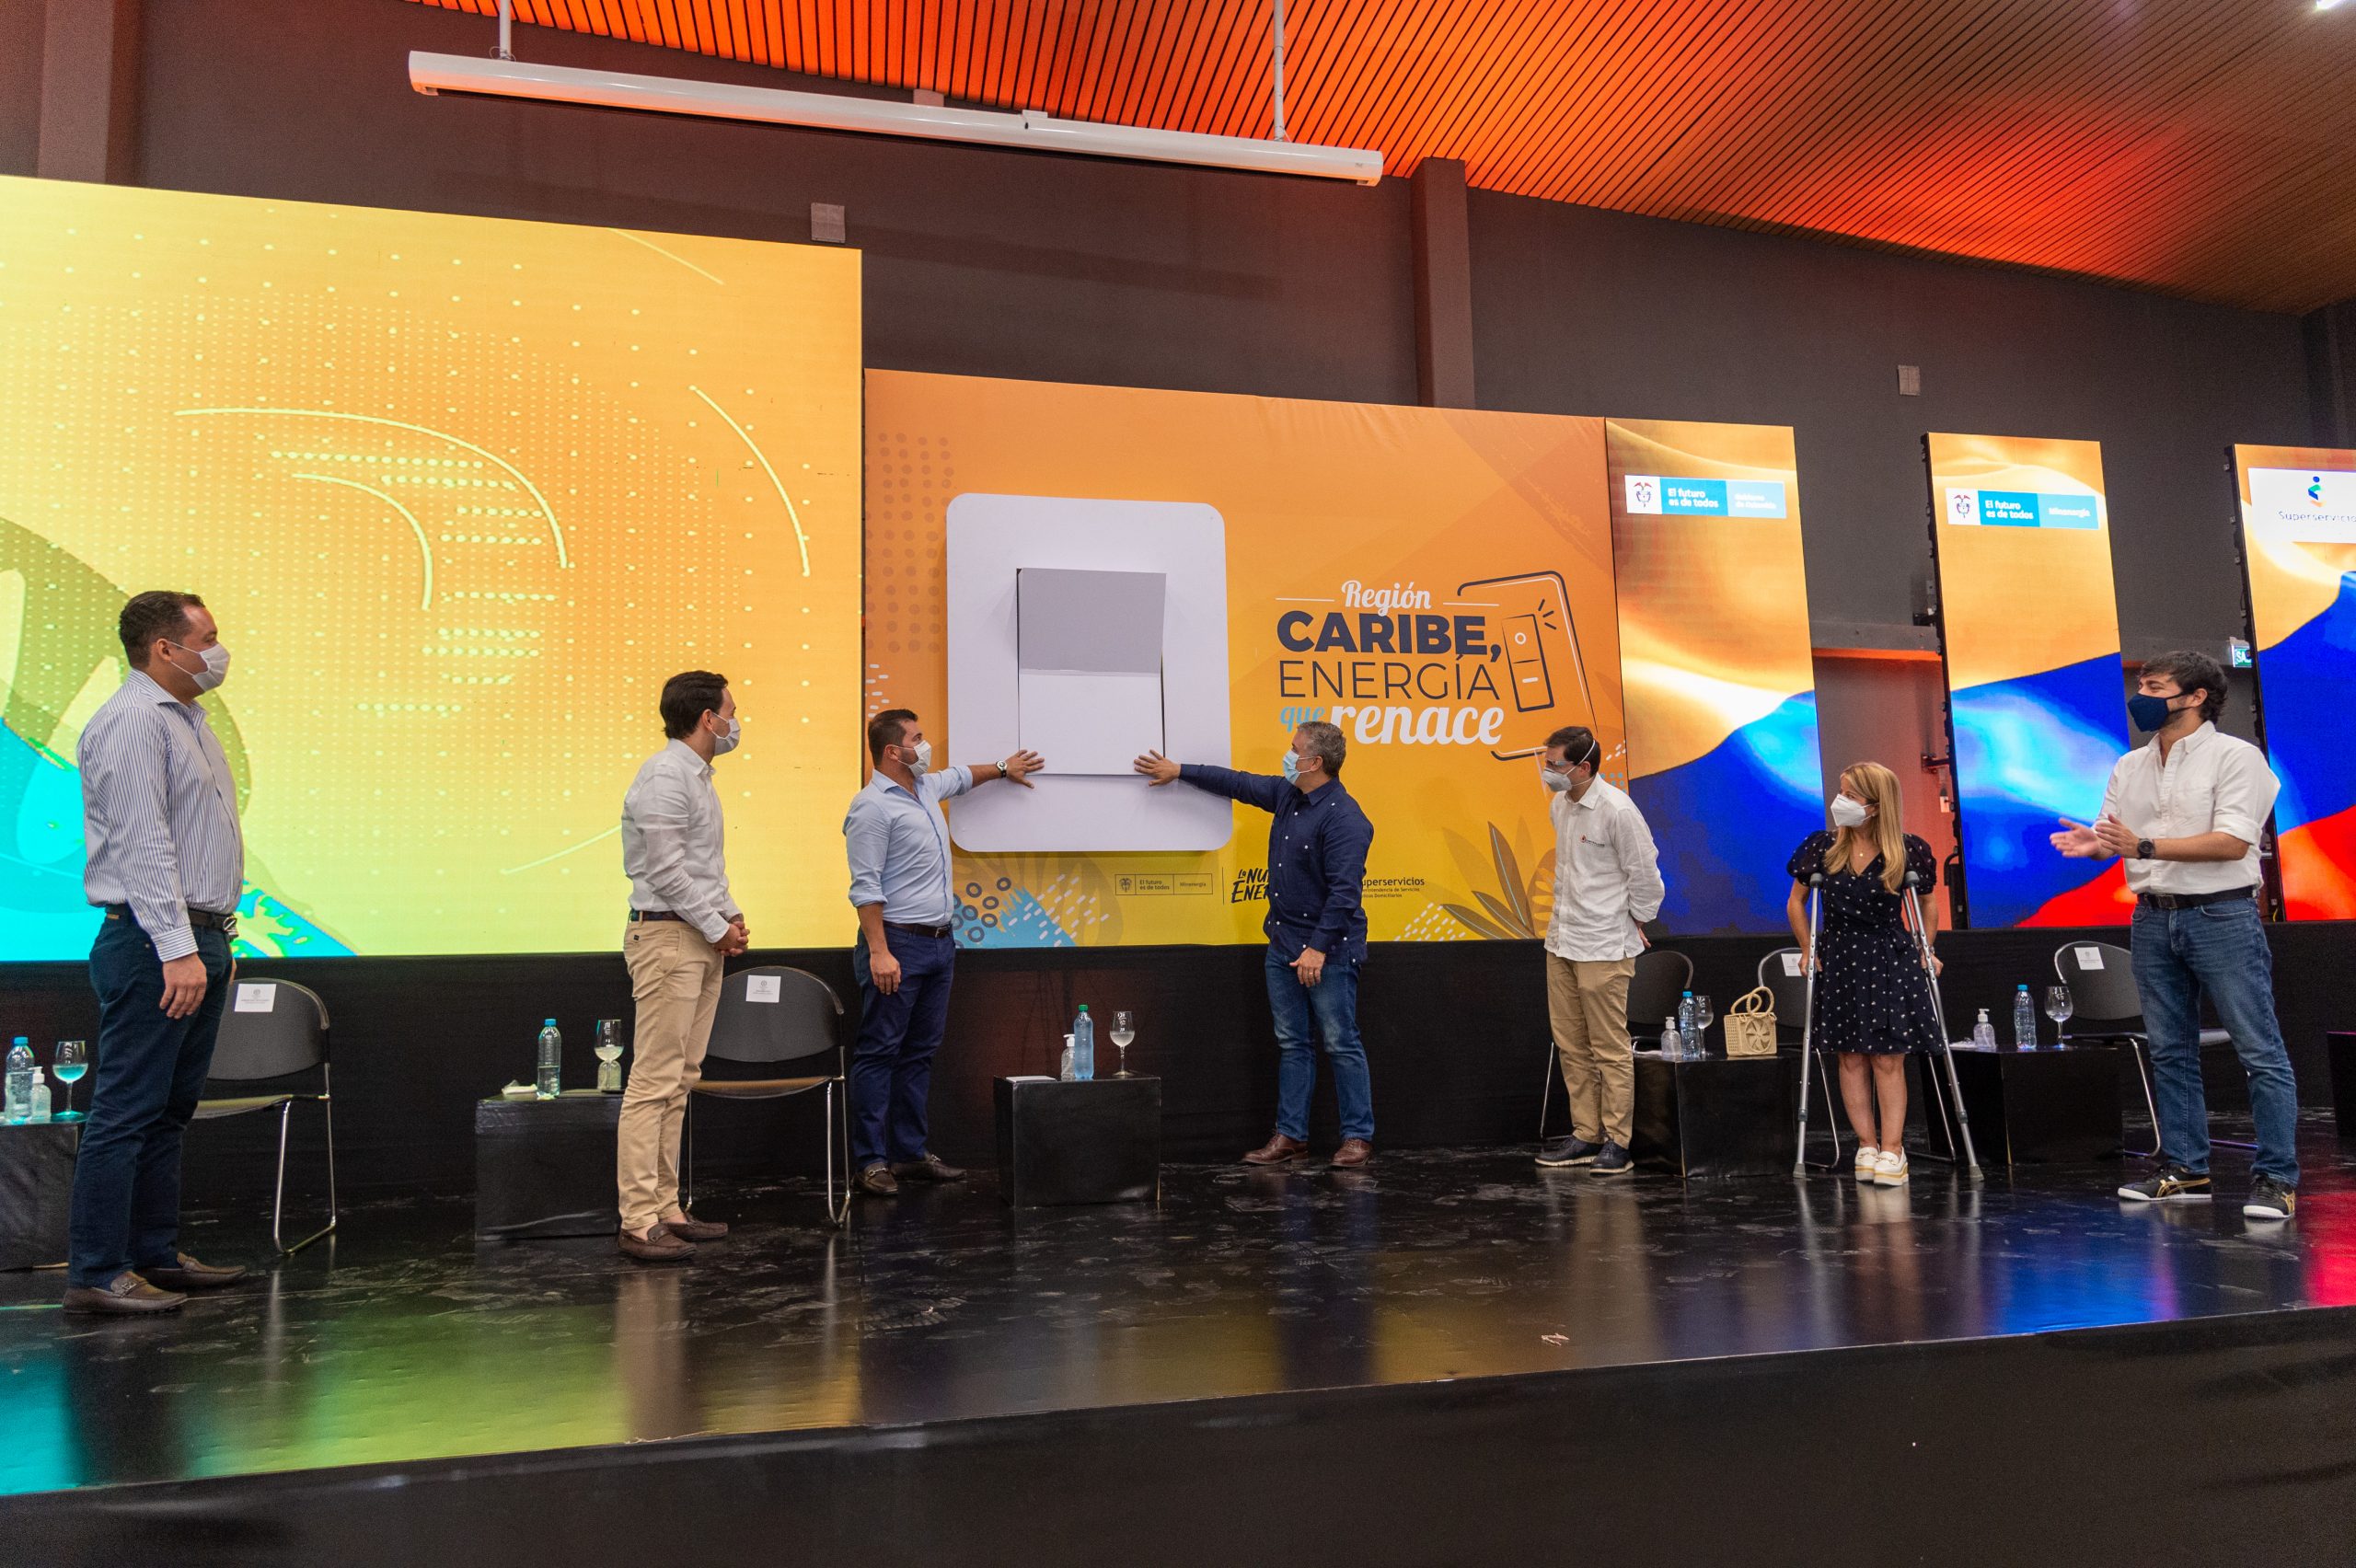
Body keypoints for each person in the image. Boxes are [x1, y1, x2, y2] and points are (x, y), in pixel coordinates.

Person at [2052, 651, 2298, 1220]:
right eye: (2141, 685)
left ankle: (2276, 1179)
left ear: (2195, 697)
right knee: (2168, 1050)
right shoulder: (2129, 764)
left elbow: (2232, 843)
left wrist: (2141, 846)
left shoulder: (2237, 757)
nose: (2141, 696)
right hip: (2152, 917)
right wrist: (2096, 844)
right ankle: (2186, 1168)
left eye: (2155, 686)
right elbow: (2116, 835)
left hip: (2222, 915)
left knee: (2259, 1050)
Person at [65, 592, 250, 1314]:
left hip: (198, 935)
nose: (218, 652)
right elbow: (143, 845)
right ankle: (97, 1272)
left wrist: (210, 938)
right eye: (208, 638)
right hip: (153, 942)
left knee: (169, 1110)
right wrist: (177, 948)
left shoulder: (186, 721)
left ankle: (153, 1255)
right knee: (126, 1112)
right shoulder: (133, 722)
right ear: (165, 649)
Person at [1135, 721, 1377, 1167]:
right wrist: (1179, 770)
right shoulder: (1288, 794)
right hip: (1283, 943)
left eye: (1294, 749)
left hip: (1328, 951)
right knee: (1292, 1043)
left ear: (1314, 762)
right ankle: (1291, 1136)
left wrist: (1318, 949)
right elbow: (1238, 782)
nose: (1287, 755)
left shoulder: (1345, 818)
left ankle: (1357, 1138)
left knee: (1341, 1042)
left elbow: (1345, 894)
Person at [844, 710, 1042, 1195]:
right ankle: (871, 1161)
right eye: (917, 738)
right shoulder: (871, 808)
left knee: (919, 1054)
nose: (925, 744)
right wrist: (879, 952)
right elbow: (865, 887)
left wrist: (1003, 767)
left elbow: (961, 776)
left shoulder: (926, 787)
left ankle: (909, 1154)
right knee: (879, 1053)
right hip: (897, 945)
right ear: (893, 751)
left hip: (939, 944)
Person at [615, 671, 750, 1263]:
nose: (735, 724)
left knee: (681, 1077)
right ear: (707, 719)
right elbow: (666, 871)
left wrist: (729, 913)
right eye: (731, 712)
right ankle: (637, 1219)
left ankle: (666, 1207)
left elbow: (701, 867)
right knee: (654, 1081)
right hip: (668, 937)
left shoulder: (696, 777)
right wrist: (716, 926)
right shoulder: (666, 776)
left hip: (694, 936)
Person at [1784, 761, 1943, 1188]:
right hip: (1839, 954)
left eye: (1851, 795)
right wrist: (1807, 948)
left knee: (1887, 1056)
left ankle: (1894, 1149)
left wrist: (1926, 948)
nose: (1841, 801)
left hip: (1888, 954)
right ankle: (1867, 1145)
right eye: (1842, 792)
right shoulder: (1822, 847)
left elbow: (1927, 902)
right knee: (1850, 1056)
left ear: (1875, 805)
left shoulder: (1908, 850)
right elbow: (1797, 901)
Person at [1532, 726, 1665, 1176]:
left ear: (1583, 767)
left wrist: (1635, 919)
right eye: (1547, 762)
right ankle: (1586, 1133)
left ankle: (1617, 1140)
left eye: (1555, 764)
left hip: (1604, 944)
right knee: (1571, 1044)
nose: (1548, 771)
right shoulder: (1560, 805)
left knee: (1608, 1047)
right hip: (1562, 940)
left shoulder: (1617, 810)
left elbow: (1646, 877)